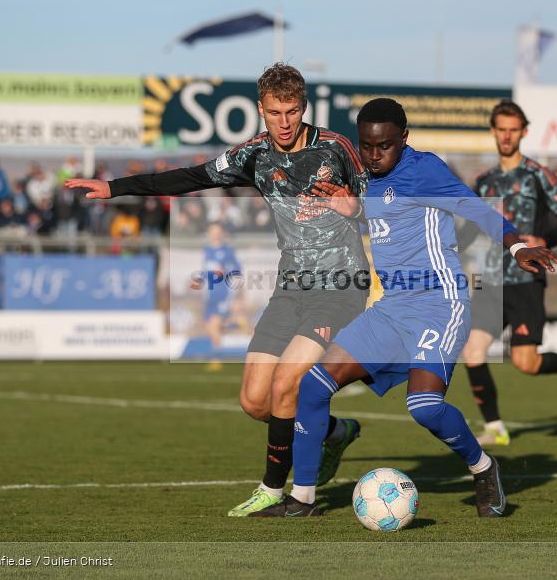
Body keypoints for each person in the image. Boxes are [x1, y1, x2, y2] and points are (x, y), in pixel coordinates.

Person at [65, 63, 369, 516]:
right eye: (273, 113)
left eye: (291, 111)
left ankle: (278, 491)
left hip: (339, 286)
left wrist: (356, 206)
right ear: (261, 111)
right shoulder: (255, 155)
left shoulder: (337, 147)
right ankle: (332, 432)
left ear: (304, 108)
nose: (283, 123)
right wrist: (115, 187)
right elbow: (190, 177)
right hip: (290, 289)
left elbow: (388, 205)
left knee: (289, 382)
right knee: (254, 401)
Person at [250, 98, 557, 518]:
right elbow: (388, 222)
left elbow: (477, 209)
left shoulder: (424, 169)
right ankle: (302, 498)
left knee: (424, 408)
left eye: (385, 146)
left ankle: (483, 467)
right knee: (313, 386)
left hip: (440, 304)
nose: (374, 156)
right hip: (391, 309)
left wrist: (518, 245)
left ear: (404, 139)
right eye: (367, 146)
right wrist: (353, 211)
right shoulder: (365, 179)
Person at [458, 100, 557, 447]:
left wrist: (544, 238)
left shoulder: (538, 174)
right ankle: (495, 427)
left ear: (523, 132)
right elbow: (471, 232)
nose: (506, 136)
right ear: (493, 132)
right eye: (501, 129)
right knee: (472, 352)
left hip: (526, 281)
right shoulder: (483, 182)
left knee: (526, 362)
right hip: (491, 282)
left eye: (513, 129)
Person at [191, 222, 242, 361]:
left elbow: (237, 270)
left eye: (217, 231)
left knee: (214, 324)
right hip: (209, 293)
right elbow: (204, 271)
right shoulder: (207, 250)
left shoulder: (227, 250)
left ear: (221, 233)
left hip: (222, 292)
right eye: (212, 231)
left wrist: (225, 272)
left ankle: (216, 356)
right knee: (208, 325)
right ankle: (230, 325)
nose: (215, 234)